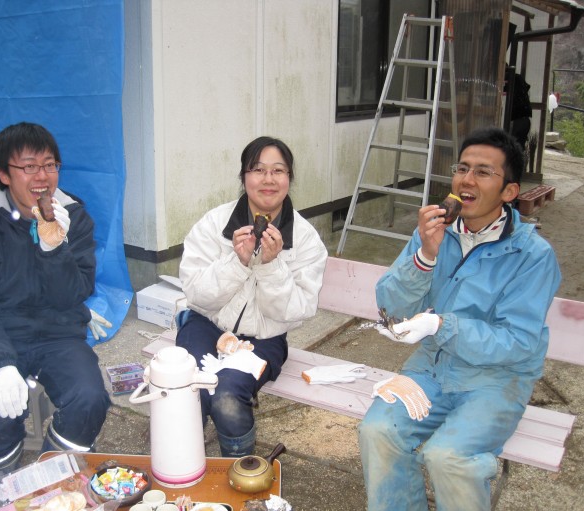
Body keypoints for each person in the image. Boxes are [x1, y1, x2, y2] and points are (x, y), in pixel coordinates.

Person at [358, 127, 561, 510]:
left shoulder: (532, 256)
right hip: (431, 367)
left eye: (483, 172)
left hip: (497, 381)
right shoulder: (434, 232)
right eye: (462, 168)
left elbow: (518, 341)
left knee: (448, 457)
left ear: (509, 191)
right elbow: (390, 306)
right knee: (379, 430)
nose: (467, 180)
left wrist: (441, 325)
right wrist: (425, 257)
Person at [0, 122, 111, 482]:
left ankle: (49, 480)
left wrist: (54, 249)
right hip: (0, 334)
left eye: (50, 165)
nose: (42, 176)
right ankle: (1, 487)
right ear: (4, 174)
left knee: (89, 399)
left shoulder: (73, 217)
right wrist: (1, 363)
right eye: (29, 166)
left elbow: (76, 293)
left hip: (58, 334)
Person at [176, 136, 328, 457]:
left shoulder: (305, 239)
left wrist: (270, 267)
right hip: (206, 325)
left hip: (264, 338)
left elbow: (297, 311)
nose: (268, 179)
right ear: (244, 177)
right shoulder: (214, 224)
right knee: (188, 387)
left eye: (278, 170)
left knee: (226, 397)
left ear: (289, 178)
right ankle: (183, 465)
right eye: (258, 170)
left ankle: (240, 471)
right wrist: (238, 262)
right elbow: (196, 293)